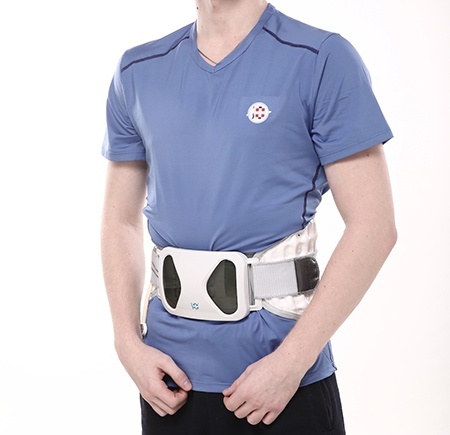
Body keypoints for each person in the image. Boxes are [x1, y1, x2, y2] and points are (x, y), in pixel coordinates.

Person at [100, 1, 397, 433]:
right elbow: (119, 221)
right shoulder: (137, 71)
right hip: (167, 381)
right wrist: (127, 344)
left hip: (282, 381)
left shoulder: (322, 60)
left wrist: (292, 362)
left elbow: (374, 226)